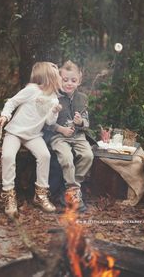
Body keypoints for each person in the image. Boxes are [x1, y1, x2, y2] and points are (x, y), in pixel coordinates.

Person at [0, 62, 62, 218]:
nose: (59, 76)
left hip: (33, 135)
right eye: (57, 74)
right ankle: (9, 195)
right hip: (15, 132)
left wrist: (54, 112)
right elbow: (12, 102)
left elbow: (50, 122)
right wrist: (5, 115)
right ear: (49, 77)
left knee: (44, 156)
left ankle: (40, 195)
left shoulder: (54, 99)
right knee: (7, 156)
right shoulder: (31, 90)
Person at [48, 60, 94, 211]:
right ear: (59, 79)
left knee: (88, 155)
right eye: (65, 80)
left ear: (79, 81)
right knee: (67, 158)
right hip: (59, 136)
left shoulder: (82, 98)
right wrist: (60, 129)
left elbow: (86, 122)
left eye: (73, 80)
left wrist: (80, 122)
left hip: (78, 136)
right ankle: (72, 191)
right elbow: (46, 122)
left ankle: (73, 189)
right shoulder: (53, 98)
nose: (69, 83)